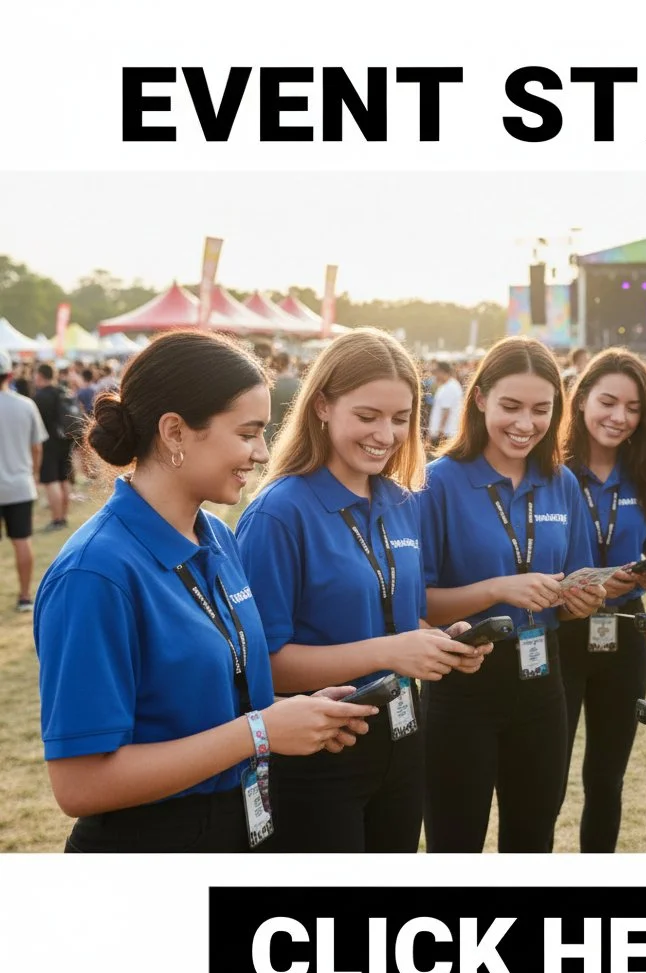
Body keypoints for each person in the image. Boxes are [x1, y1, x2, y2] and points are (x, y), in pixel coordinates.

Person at [33, 330, 377, 853]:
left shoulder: (216, 535)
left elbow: (209, 700)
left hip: (242, 824)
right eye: (247, 433)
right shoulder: (94, 574)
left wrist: (294, 712)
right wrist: (260, 732)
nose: (262, 453)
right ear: (174, 431)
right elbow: (80, 785)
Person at [235, 329, 488, 852]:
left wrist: (442, 643)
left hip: (403, 738)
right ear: (323, 405)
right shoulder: (279, 513)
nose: (387, 434)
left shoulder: (400, 499)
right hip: (320, 748)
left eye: (400, 419)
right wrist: (393, 652)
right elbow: (266, 665)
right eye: (368, 416)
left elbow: (405, 621)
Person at [418, 336, 606, 852]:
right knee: (455, 844)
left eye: (541, 410)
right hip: (462, 682)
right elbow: (417, 604)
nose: (525, 424)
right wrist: (498, 590)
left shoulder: (561, 482)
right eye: (511, 406)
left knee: (533, 839)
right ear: (479, 399)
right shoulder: (436, 483)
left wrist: (581, 602)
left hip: (543, 683)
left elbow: (577, 583)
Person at [557, 348, 646, 852]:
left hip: (625, 633)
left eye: (633, 408)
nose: (619, 417)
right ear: (581, 399)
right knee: (544, 777)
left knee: (606, 780)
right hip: (558, 632)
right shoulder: (550, 471)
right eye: (608, 402)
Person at [0, 348, 47, 611]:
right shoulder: (25, 405)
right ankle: (25, 595)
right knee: (22, 540)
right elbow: (37, 447)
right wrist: (35, 475)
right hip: (19, 485)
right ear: (9, 374)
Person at [32, 363, 73, 531]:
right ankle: (63, 517)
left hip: (48, 443)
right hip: (65, 440)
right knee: (64, 480)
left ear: (40, 376)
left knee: (52, 482)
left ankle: (57, 519)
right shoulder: (62, 391)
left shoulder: (39, 397)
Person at [265, 351, 301, 447]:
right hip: (290, 434)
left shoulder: (266, 385)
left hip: (267, 433)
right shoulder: (298, 385)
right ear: (289, 364)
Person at [427, 360, 463, 449]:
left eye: (436, 372)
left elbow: (446, 411)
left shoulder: (450, 387)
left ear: (442, 372)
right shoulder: (448, 385)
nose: (435, 375)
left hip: (445, 433)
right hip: (444, 432)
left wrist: (439, 432)